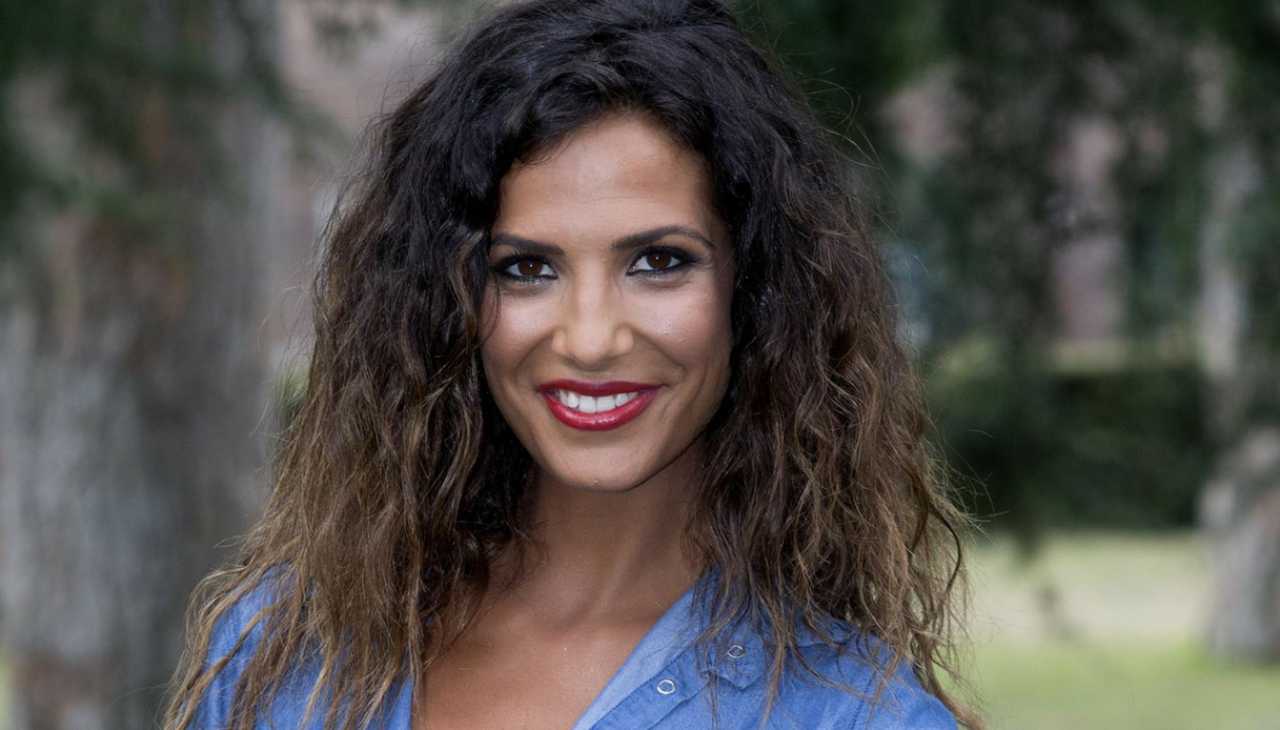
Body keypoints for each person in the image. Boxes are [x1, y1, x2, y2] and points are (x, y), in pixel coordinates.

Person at [163, 0, 981, 728]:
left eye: (659, 261)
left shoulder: (852, 716)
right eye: (527, 268)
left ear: (756, 287)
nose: (590, 340)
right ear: (448, 300)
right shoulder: (289, 657)